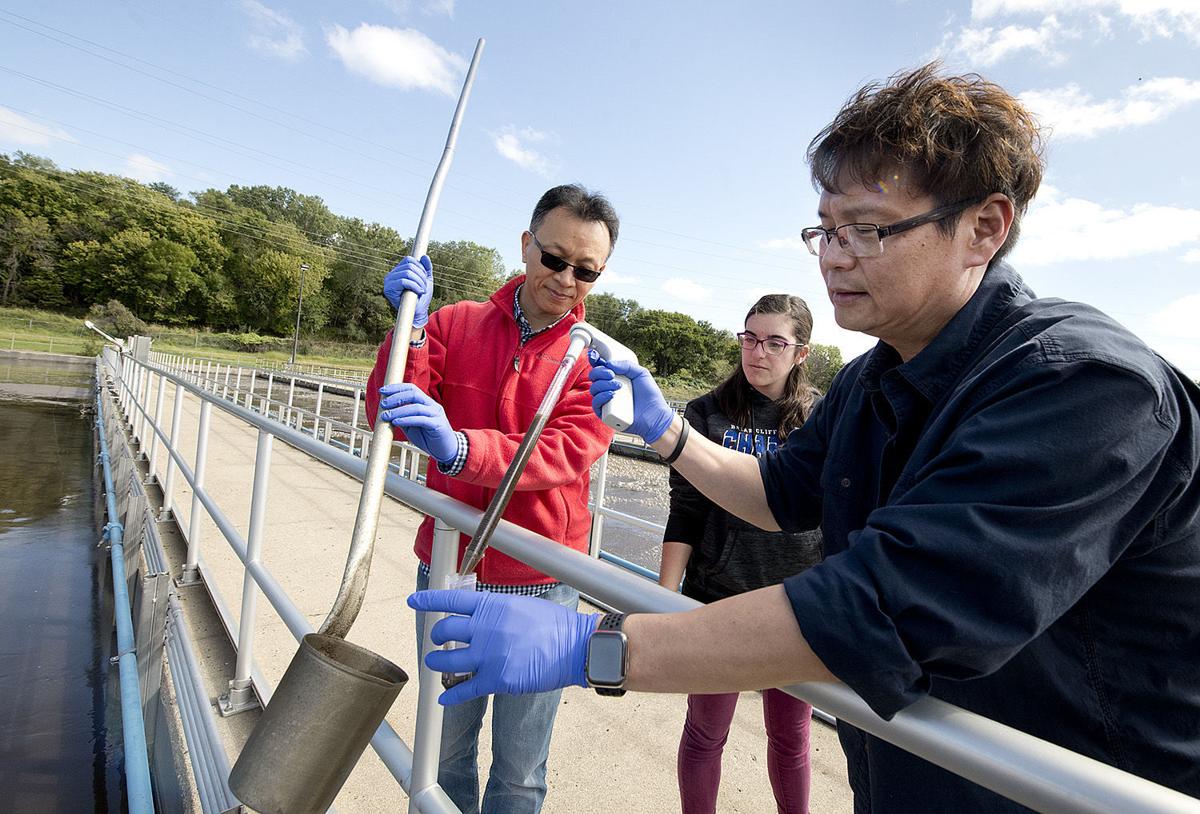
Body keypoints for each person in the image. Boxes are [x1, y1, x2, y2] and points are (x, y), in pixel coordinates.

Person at [407, 63, 1200, 813]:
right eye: (823, 229)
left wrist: (597, 644)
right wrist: (671, 435)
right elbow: (783, 493)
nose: (832, 258)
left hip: (1070, 789)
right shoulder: (874, 377)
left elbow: (886, 608)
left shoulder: (1086, 389)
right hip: (917, 779)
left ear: (984, 228)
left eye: (866, 230)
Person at [365, 183, 620, 814]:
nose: (566, 280)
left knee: (521, 767)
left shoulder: (597, 362)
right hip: (453, 568)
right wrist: (411, 330)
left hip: (543, 578)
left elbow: (563, 452)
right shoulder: (453, 322)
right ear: (526, 245)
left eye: (586, 271)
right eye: (555, 259)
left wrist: (459, 451)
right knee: (443, 748)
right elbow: (386, 410)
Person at [660, 294, 823, 814]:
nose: (758, 352)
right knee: (706, 732)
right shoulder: (705, 412)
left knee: (792, 736)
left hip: (799, 603)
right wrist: (663, 600)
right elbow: (685, 509)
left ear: (800, 353)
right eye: (750, 338)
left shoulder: (821, 416)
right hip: (719, 596)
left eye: (776, 342)